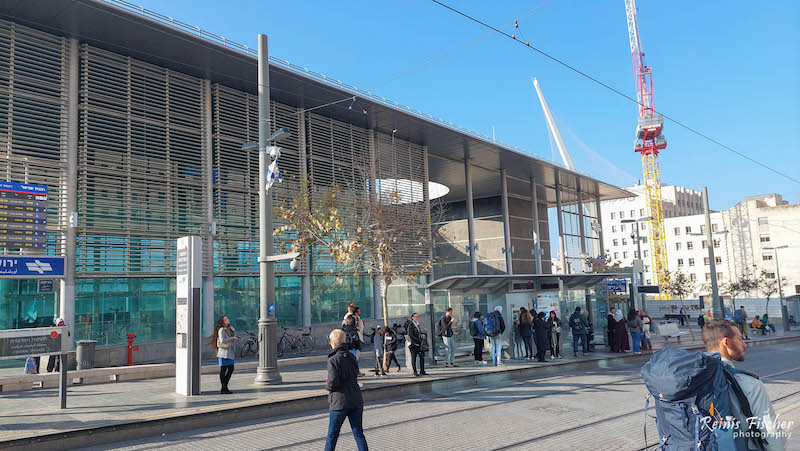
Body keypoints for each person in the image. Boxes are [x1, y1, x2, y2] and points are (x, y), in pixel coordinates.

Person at [701, 319, 786, 450]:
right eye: (740, 340)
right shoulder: (749, 383)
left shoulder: (690, 377)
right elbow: (771, 432)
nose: (744, 345)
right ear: (726, 342)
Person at [324, 329, 368, 451]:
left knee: (332, 435)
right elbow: (355, 374)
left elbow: (333, 382)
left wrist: (327, 386)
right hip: (356, 400)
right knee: (358, 433)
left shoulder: (333, 360)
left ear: (333, 343)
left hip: (339, 402)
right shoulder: (352, 356)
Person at [211, 315, 238, 394]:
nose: (228, 320)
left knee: (230, 368)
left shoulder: (229, 329)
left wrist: (234, 332)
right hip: (223, 353)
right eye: (225, 319)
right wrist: (232, 338)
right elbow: (222, 340)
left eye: (227, 319)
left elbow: (233, 337)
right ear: (222, 322)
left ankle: (224, 386)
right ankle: (224, 388)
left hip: (229, 352)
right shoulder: (221, 329)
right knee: (223, 370)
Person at [407, 312, 428, 377]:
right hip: (413, 344)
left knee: (422, 356)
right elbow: (411, 336)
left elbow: (418, 333)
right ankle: (415, 371)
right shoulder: (411, 326)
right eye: (415, 317)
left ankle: (422, 370)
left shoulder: (417, 324)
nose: (417, 318)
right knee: (414, 357)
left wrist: (421, 336)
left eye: (418, 317)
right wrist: (419, 340)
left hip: (419, 344)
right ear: (412, 318)